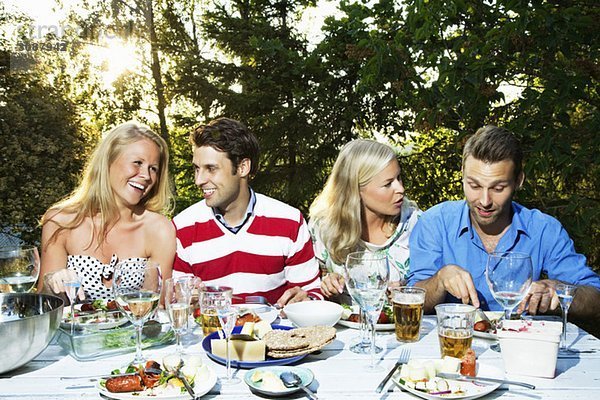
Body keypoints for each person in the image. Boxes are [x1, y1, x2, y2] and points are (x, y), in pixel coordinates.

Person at [408, 125, 600, 319]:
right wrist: (440, 280)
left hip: (522, 344)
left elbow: (595, 298)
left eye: (498, 188)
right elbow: (412, 299)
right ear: (462, 175)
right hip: (454, 343)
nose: (484, 201)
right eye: (474, 185)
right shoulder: (435, 222)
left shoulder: (544, 229)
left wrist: (560, 292)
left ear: (518, 181)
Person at [172, 117, 322, 306]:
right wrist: (184, 299)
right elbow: (175, 301)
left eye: (211, 169)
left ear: (243, 167)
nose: (199, 180)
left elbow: (313, 293)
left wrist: (305, 299)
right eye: (197, 169)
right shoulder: (182, 227)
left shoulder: (289, 221)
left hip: (275, 334)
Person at [39, 121, 176, 300]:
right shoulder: (61, 221)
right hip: (73, 328)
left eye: (153, 169)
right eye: (137, 163)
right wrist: (53, 283)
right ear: (108, 162)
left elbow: (157, 307)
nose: (146, 176)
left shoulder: (158, 229)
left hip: (134, 327)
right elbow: (44, 305)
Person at [309, 139, 421, 301]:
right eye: (388, 184)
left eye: (399, 178)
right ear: (355, 189)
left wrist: (407, 291)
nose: (400, 189)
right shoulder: (323, 226)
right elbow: (311, 286)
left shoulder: (416, 224)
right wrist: (327, 283)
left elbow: (430, 286)